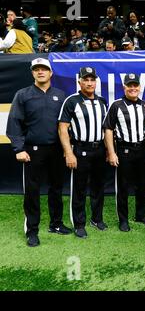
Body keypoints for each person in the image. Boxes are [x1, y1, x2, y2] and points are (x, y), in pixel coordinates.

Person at [6, 58, 71, 247]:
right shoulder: (22, 94)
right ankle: (32, 230)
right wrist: (19, 148)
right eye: (37, 69)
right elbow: (14, 123)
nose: (40, 72)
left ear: (51, 73)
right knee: (32, 191)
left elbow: (66, 125)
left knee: (56, 188)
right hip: (33, 150)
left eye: (44, 69)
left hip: (56, 150)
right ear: (32, 73)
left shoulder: (60, 95)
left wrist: (68, 148)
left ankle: (56, 224)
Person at [58, 67, 108, 239]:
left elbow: (107, 129)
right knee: (79, 189)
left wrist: (109, 150)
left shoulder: (102, 101)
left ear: (96, 81)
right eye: (85, 79)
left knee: (98, 186)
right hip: (81, 149)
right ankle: (79, 224)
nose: (89, 83)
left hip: (99, 149)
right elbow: (62, 128)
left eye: (92, 79)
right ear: (79, 81)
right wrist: (69, 152)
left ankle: (96, 219)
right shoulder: (71, 101)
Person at [103, 73, 145, 232]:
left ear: (139, 87)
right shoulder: (116, 105)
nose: (132, 88)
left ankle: (141, 214)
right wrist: (111, 152)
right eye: (129, 85)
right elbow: (108, 129)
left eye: (135, 85)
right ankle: (123, 219)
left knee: (143, 184)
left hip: (143, 149)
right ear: (124, 87)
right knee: (123, 186)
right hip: (124, 149)